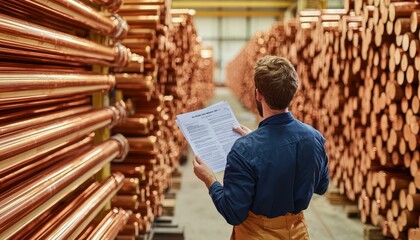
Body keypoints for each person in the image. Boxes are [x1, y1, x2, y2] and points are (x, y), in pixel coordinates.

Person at [193, 56, 329, 240]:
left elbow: (233, 212)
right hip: (298, 234)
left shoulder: (243, 151)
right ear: (293, 93)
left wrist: (209, 179)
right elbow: (321, 186)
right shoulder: (314, 138)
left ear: (258, 94)